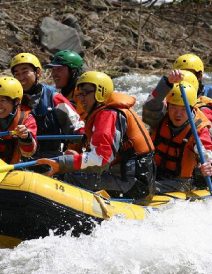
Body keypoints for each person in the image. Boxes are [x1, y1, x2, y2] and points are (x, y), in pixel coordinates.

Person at [35, 71, 156, 199]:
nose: (81, 99)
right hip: (132, 178)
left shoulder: (108, 114)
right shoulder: (106, 111)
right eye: (79, 94)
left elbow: (101, 159)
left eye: (85, 93)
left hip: (134, 183)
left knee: (68, 177)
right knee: (71, 171)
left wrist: (63, 163)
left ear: (101, 92)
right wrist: (77, 159)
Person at [143, 82, 212, 193]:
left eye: (184, 109)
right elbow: (150, 105)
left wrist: (210, 167)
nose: (178, 114)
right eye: (173, 107)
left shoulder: (198, 129)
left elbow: (207, 152)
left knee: (144, 188)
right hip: (154, 172)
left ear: (192, 109)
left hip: (180, 182)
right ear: (168, 106)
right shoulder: (159, 118)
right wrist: (167, 81)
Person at [10, 53, 84, 158]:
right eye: (17, 74)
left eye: (25, 72)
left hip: (47, 159)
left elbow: (77, 128)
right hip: (15, 158)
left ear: (38, 73)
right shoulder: (6, 99)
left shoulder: (54, 97)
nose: (21, 77)